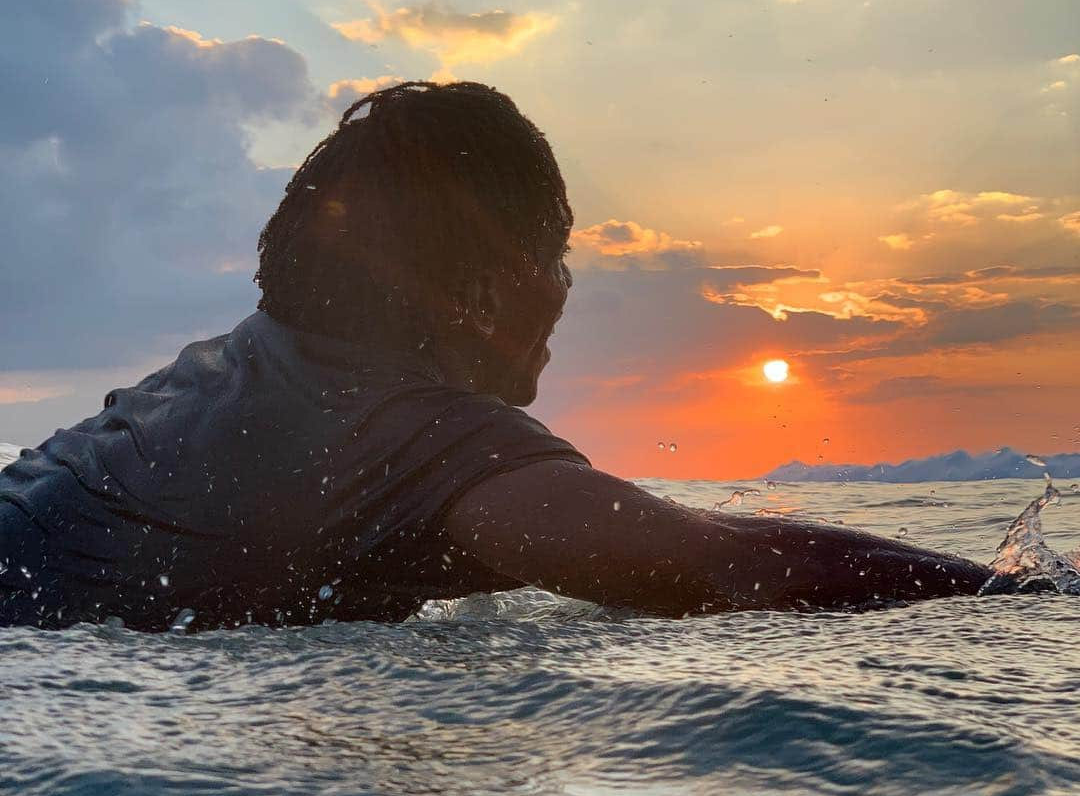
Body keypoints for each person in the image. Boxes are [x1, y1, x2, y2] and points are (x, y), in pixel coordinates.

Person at [0, 81, 992, 632]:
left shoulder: (213, 374)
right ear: (478, 292)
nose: (564, 290)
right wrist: (1020, 600)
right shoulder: (412, 435)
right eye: (556, 257)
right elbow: (714, 565)